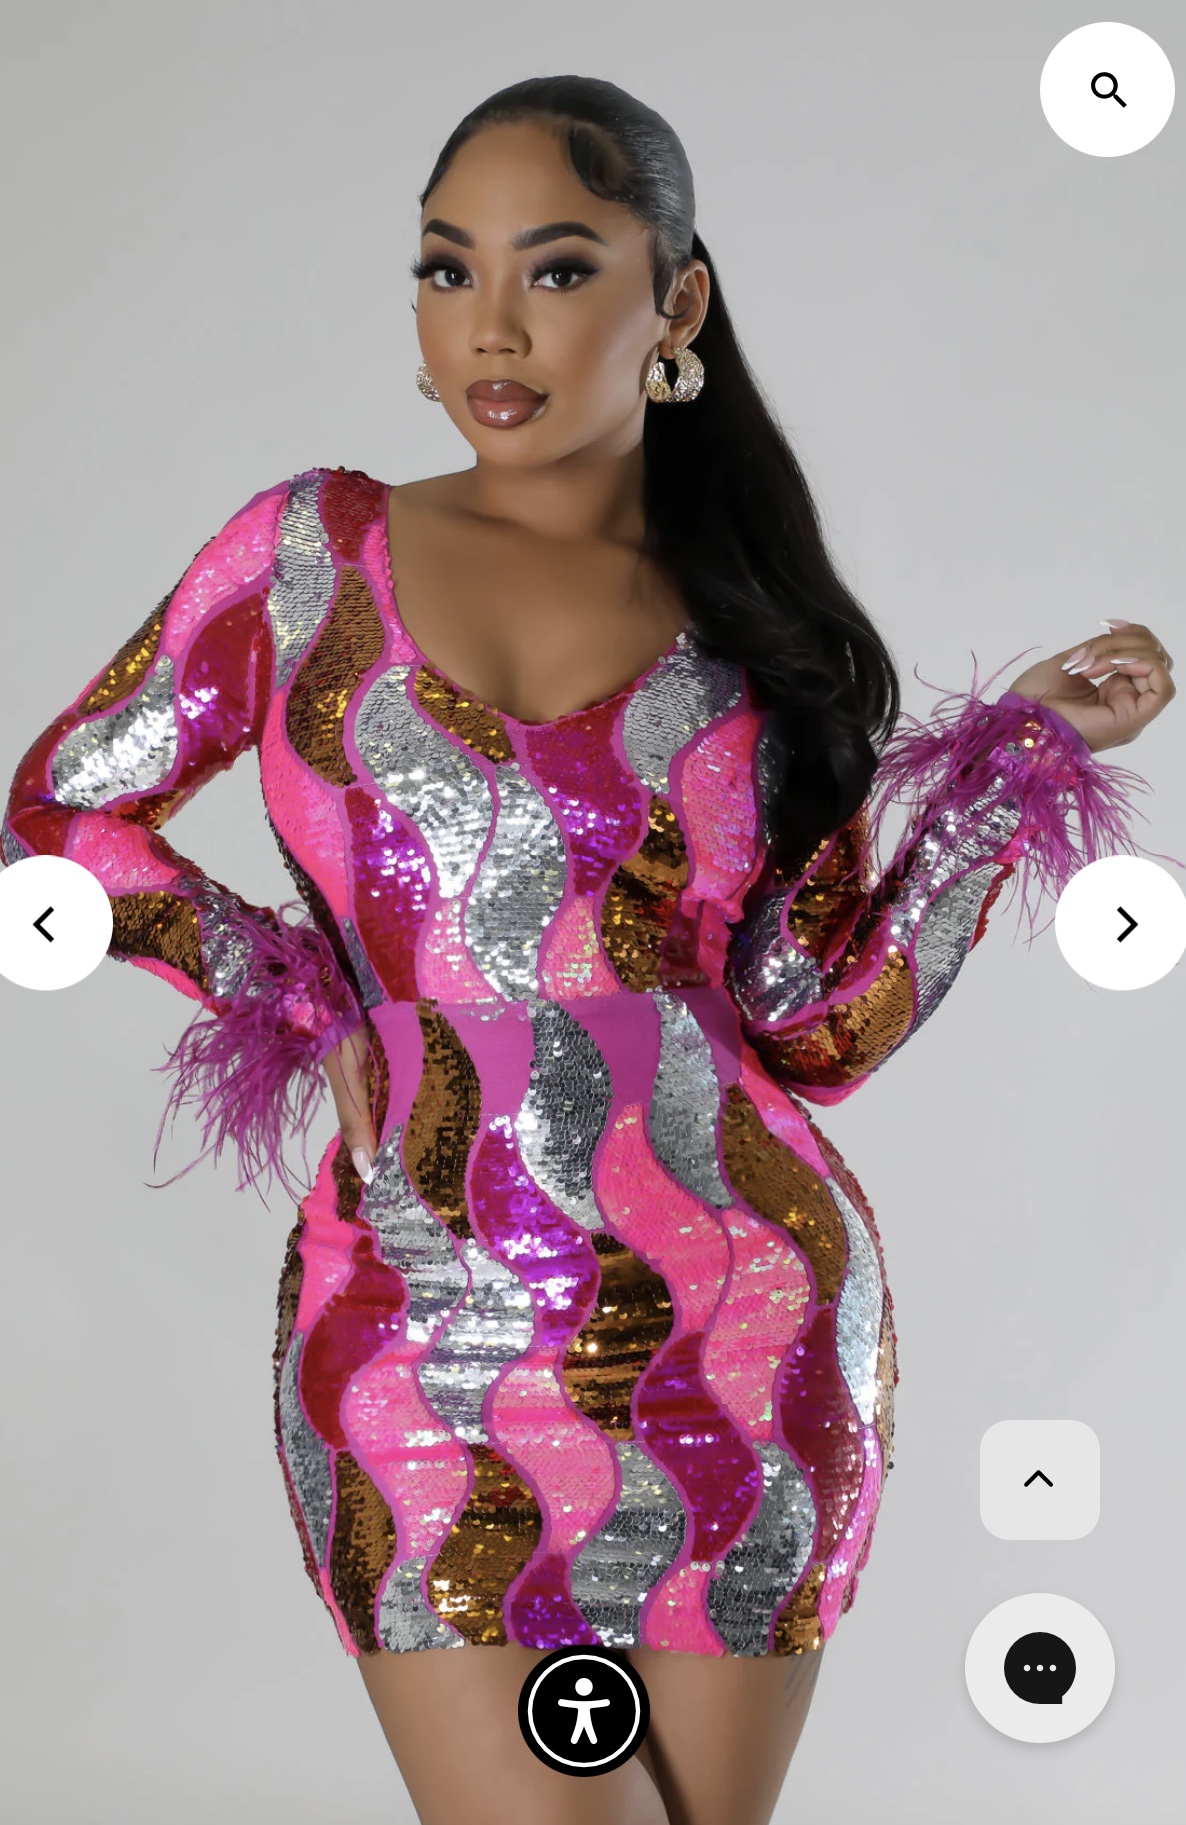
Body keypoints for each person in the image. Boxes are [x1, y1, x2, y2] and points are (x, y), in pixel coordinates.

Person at [2, 73, 1174, 1825]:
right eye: (445, 268)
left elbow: (815, 1025)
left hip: (742, 1327)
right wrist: (294, 997)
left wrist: (1013, 766)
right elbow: (60, 814)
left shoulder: (755, 634)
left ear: (674, 302)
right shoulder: (306, 555)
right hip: (413, 1321)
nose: (490, 324)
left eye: (554, 270)